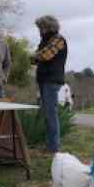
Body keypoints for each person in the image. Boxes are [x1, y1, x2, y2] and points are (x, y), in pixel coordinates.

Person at [32, 15, 68, 153]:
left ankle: (54, 147)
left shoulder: (59, 40)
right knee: (47, 114)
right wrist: (35, 56)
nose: (39, 30)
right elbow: (35, 59)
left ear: (48, 27)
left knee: (51, 114)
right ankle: (50, 145)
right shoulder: (45, 40)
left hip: (51, 81)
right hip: (44, 80)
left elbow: (44, 56)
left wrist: (34, 56)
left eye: (40, 27)